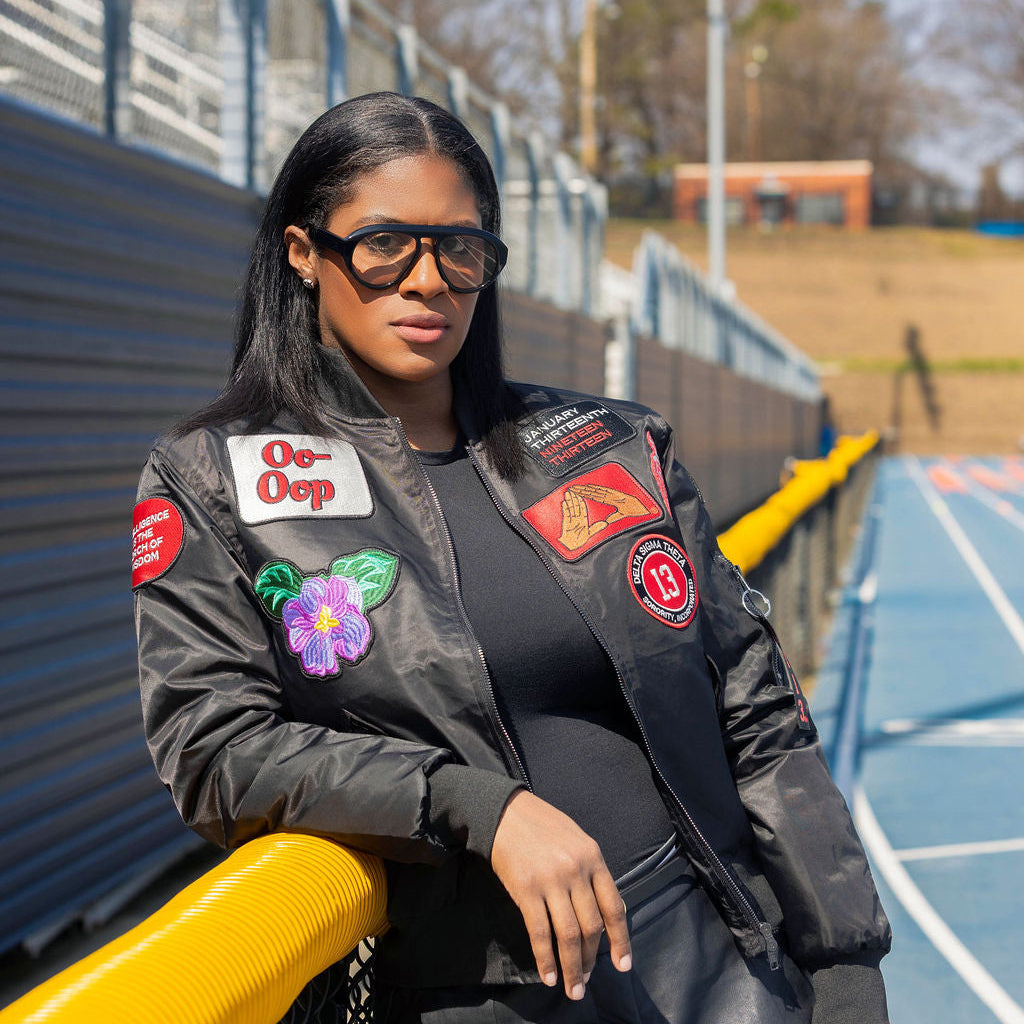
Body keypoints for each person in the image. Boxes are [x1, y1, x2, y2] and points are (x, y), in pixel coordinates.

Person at [133, 92, 891, 1024]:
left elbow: (756, 705)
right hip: (478, 991)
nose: (427, 281)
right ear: (303, 253)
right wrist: (476, 806)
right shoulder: (215, 480)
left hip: (723, 962)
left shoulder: (609, 445)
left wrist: (845, 966)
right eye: (383, 244)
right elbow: (214, 749)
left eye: (460, 249)